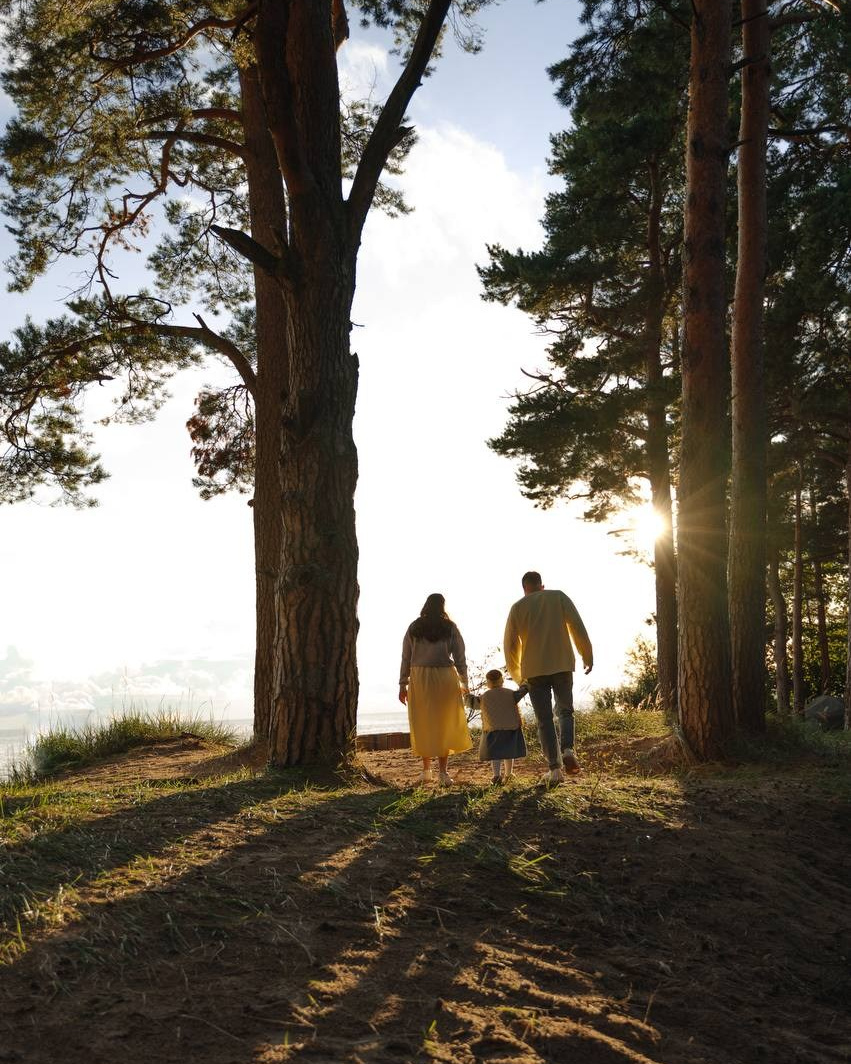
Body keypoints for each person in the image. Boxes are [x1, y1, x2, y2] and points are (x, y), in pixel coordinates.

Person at [504, 571, 593, 787]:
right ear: (541, 586)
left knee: (544, 720)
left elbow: (510, 646)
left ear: (524, 589)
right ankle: (568, 749)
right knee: (565, 710)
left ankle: (555, 770)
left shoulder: (517, 607)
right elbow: (577, 627)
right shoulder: (558, 596)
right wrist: (587, 655)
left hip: (534, 669)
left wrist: (518, 676)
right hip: (562, 663)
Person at [399, 593, 472, 785]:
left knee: (423, 723)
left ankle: (426, 770)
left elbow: (405, 657)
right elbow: (460, 657)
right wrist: (464, 682)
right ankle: (443, 773)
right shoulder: (449, 627)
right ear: (442, 606)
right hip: (444, 678)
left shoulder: (414, 627)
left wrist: (402, 684)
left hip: (420, 678)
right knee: (444, 724)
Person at [472, 668, 527, 785]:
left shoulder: (483, 697)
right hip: (510, 727)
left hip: (492, 728)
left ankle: (496, 776)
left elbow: (471, 702)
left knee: (495, 754)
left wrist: (465, 693)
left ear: (488, 682)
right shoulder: (510, 693)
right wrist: (523, 681)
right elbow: (523, 691)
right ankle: (508, 774)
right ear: (502, 681)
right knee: (508, 752)